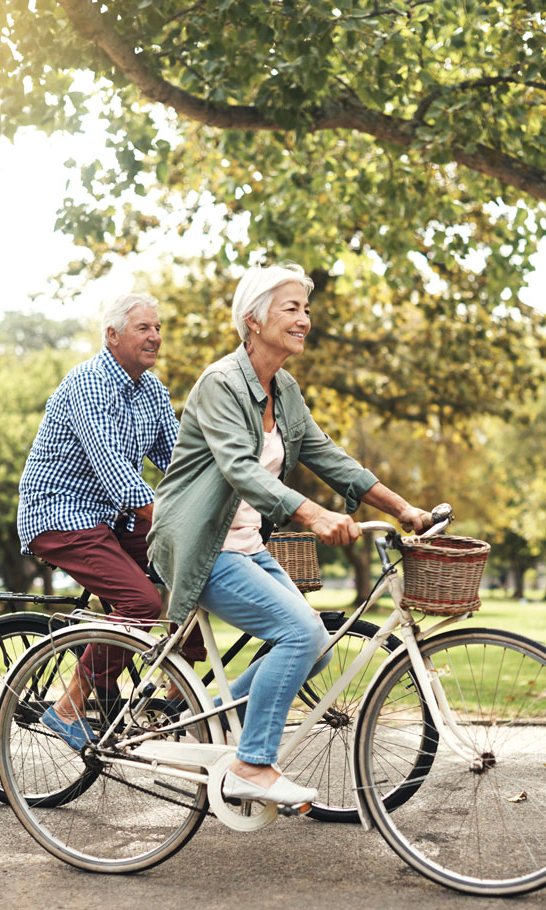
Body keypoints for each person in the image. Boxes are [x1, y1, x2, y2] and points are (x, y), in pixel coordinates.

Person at [148, 264, 431, 808]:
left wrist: (401, 509)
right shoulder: (220, 384)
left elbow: (328, 456)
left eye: (306, 308)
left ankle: (198, 714)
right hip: (200, 545)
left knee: (316, 644)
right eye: (292, 308)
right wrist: (312, 515)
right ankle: (252, 765)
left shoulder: (284, 388)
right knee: (300, 633)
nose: (305, 319)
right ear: (253, 320)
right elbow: (240, 469)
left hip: (245, 543)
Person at [17, 292, 204, 749]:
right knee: (142, 604)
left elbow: (180, 464)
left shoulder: (153, 390)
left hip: (109, 519)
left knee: (198, 563)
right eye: (144, 328)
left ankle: (181, 690)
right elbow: (119, 477)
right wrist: (174, 519)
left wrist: (226, 505)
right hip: (59, 513)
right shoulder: (89, 383)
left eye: (158, 328)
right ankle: (68, 706)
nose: (156, 337)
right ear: (112, 335)